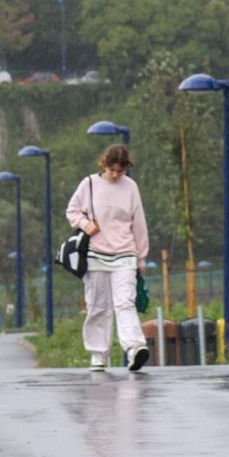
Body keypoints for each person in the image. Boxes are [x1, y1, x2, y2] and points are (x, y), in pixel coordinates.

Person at [66, 143, 150, 371]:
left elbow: (139, 223)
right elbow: (72, 210)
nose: (116, 175)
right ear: (104, 164)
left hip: (125, 253)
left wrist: (141, 258)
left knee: (125, 303)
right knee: (97, 306)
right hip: (95, 254)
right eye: (112, 169)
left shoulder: (131, 187)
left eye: (120, 171)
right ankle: (98, 354)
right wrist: (85, 224)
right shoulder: (90, 184)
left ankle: (134, 348)